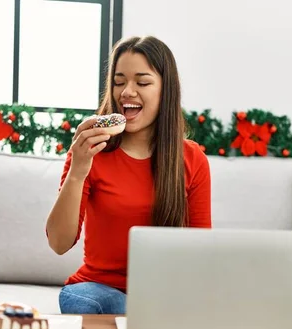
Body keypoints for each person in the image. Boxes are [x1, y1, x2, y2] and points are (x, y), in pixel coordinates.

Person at [45, 36, 212, 314]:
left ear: (165, 91)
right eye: (119, 82)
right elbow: (58, 243)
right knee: (84, 299)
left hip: (163, 296)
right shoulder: (89, 151)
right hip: (97, 292)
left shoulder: (192, 159)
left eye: (142, 83)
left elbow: (202, 253)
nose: (126, 92)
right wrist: (77, 171)